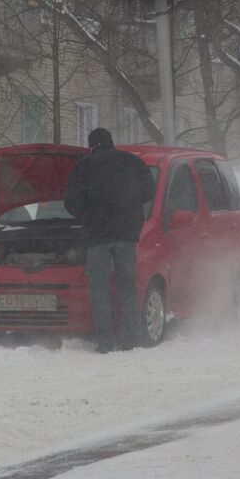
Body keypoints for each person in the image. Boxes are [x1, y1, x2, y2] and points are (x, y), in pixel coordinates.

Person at [65, 128, 155, 353]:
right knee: (127, 287)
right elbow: (149, 192)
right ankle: (130, 338)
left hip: (97, 236)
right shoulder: (133, 162)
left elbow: (71, 201)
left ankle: (104, 342)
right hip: (126, 233)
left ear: (92, 145)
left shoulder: (85, 166)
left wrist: (86, 215)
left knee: (99, 289)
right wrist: (128, 204)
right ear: (111, 141)